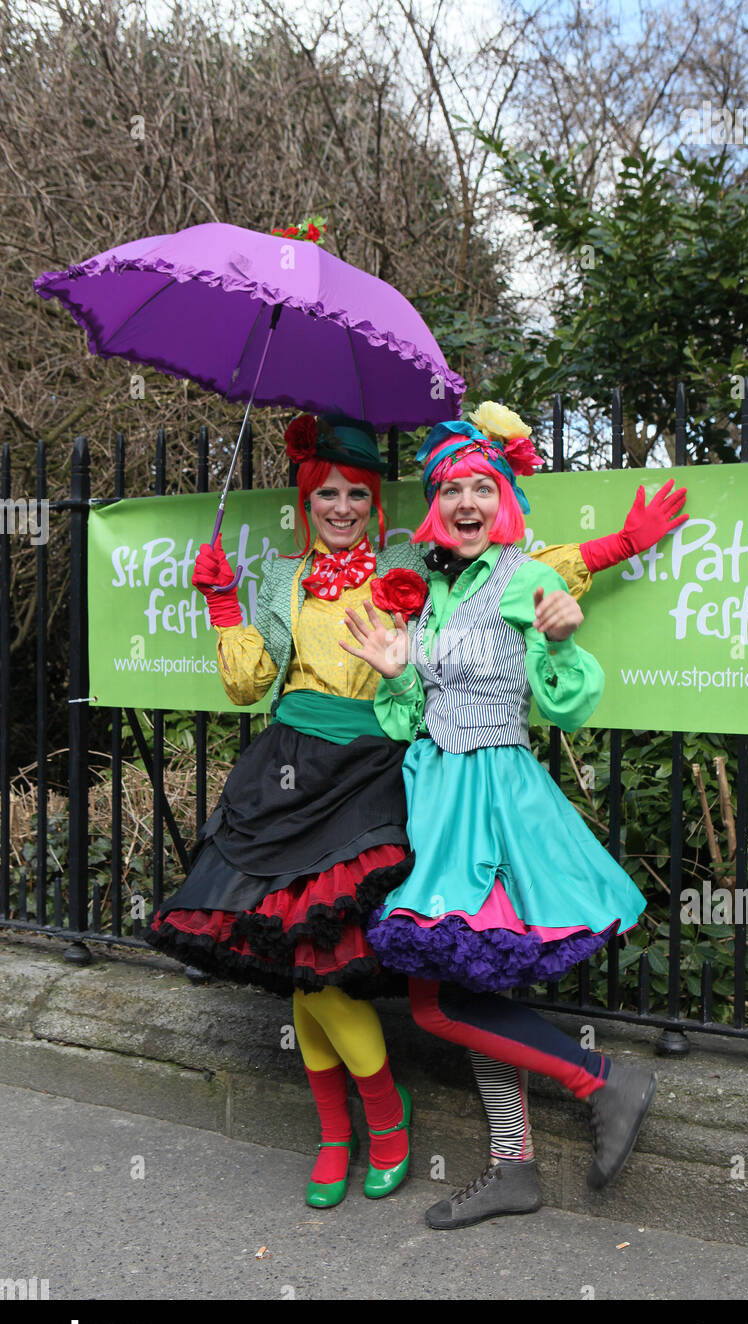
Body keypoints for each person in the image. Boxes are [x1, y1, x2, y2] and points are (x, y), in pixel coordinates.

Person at [146, 408, 596, 1212]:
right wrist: (221, 604)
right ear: (306, 502)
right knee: (295, 955)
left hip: (372, 762)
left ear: (379, 506)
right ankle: (332, 1132)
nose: (343, 507)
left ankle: (385, 1121)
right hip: (288, 761)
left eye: (358, 493)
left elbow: (521, 563)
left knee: (328, 962)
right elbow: (247, 685)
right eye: (328, 495)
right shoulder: (278, 581)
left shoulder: (411, 556)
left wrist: (617, 548)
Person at [342, 402, 687, 1229]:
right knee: (467, 985)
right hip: (430, 799)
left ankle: (601, 1081)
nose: (465, 500)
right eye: (451, 487)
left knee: (438, 1002)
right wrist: (394, 674)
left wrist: (564, 642)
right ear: (433, 504)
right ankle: (514, 1166)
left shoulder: (527, 578)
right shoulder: (427, 587)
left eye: (480, 486)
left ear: (503, 498)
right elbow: (403, 718)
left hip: (489, 803)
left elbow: (565, 706)